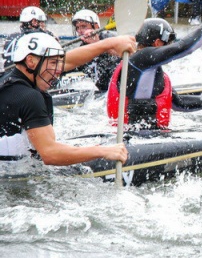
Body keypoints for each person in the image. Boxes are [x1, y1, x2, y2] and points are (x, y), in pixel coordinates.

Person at [0, 32, 136, 165]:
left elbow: (69, 60)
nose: (58, 70)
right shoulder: (29, 97)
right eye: (53, 63)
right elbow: (50, 154)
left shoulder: (7, 80)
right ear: (30, 61)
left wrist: (109, 44)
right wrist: (102, 151)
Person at [106, 5, 202, 130]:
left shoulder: (151, 71)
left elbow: (180, 103)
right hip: (133, 139)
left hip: (149, 136)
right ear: (158, 43)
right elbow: (184, 47)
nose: (170, 47)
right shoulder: (142, 58)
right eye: (169, 43)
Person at [70, 9, 121, 91]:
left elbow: (123, 53)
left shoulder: (108, 36)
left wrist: (98, 44)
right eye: (78, 28)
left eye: (84, 26)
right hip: (102, 91)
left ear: (96, 26)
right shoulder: (82, 49)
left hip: (119, 88)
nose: (80, 31)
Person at [1, 6, 56, 74]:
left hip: (6, 76)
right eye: (42, 22)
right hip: (23, 78)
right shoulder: (37, 37)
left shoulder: (11, 37)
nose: (44, 25)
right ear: (34, 21)